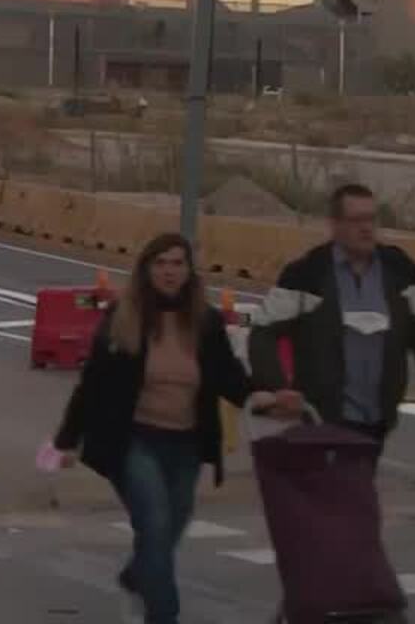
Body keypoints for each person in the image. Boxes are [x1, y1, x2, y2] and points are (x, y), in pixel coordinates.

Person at [54, 233, 295, 624]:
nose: (169, 271)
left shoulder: (205, 322)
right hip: (133, 439)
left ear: (189, 271)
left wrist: (261, 398)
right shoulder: (123, 318)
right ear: (147, 269)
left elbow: (226, 375)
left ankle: (136, 577)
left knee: (168, 530)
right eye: (161, 263)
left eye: (177, 263)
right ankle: (164, 614)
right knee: (154, 521)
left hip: (185, 442)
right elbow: (93, 383)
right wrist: (64, 442)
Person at [248, 184, 415, 457]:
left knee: (354, 496)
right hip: (319, 423)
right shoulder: (306, 273)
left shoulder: (401, 272)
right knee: (334, 497)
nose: (367, 228)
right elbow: (262, 333)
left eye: (372, 219)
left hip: (376, 425)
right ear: (335, 225)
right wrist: (278, 389)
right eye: (357, 220)